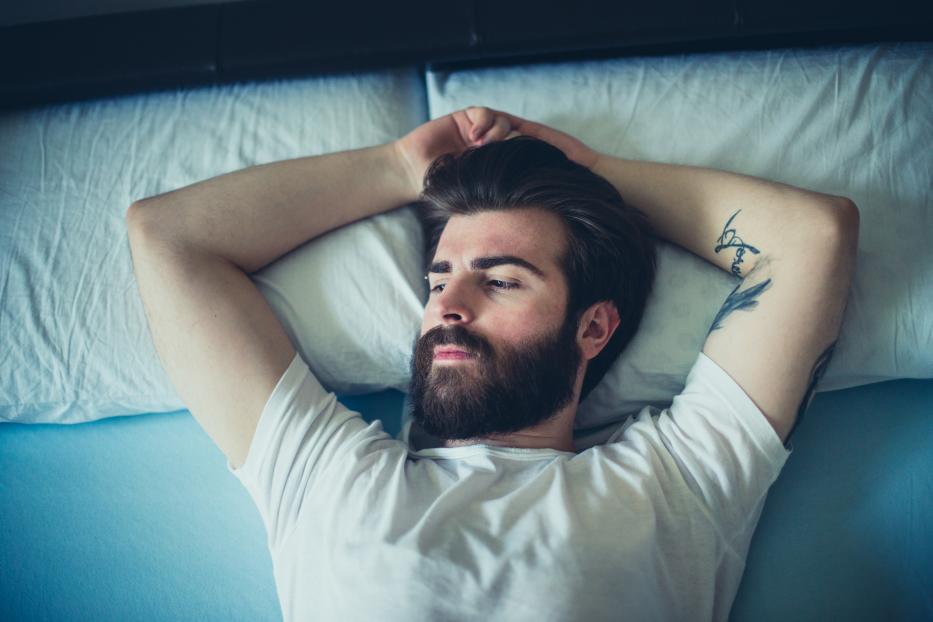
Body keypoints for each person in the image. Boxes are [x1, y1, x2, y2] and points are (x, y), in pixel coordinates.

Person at [126, 106, 858, 621]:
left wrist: (594, 171)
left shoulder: (680, 481)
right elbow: (166, 236)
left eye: (501, 280)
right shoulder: (322, 477)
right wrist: (394, 167)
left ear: (593, 327)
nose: (449, 306)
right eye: (437, 280)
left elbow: (813, 237)